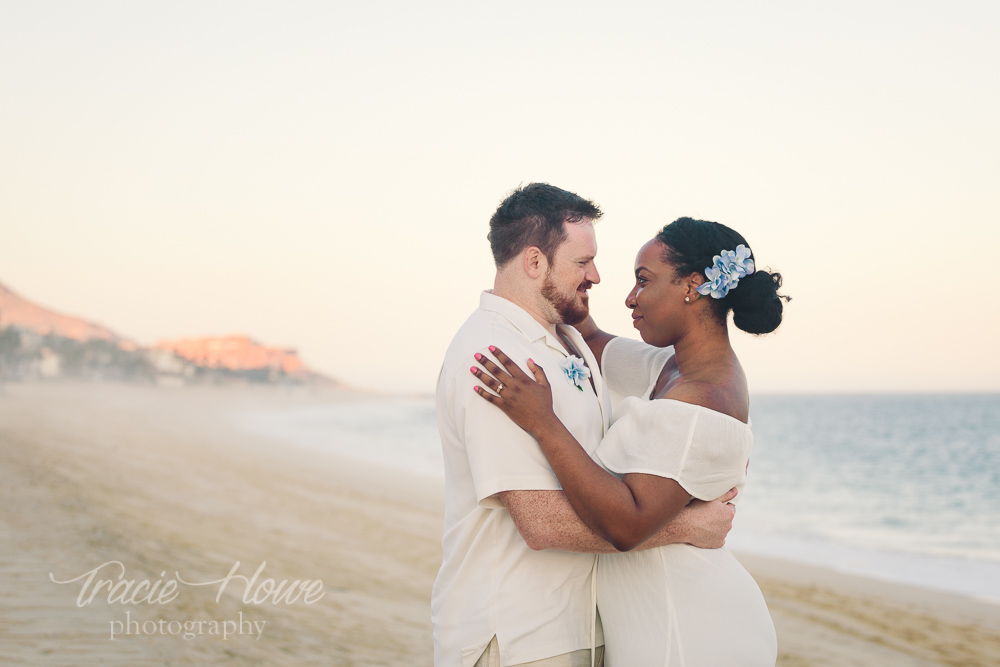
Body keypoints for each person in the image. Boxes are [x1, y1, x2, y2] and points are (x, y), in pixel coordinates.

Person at [433, 188, 739, 667]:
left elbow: (685, 370)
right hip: (518, 636)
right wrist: (685, 525)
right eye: (584, 261)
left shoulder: (569, 339)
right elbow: (539, 522)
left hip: (581, 629)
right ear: (535, 262)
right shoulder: (495, 359)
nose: (596, 276)